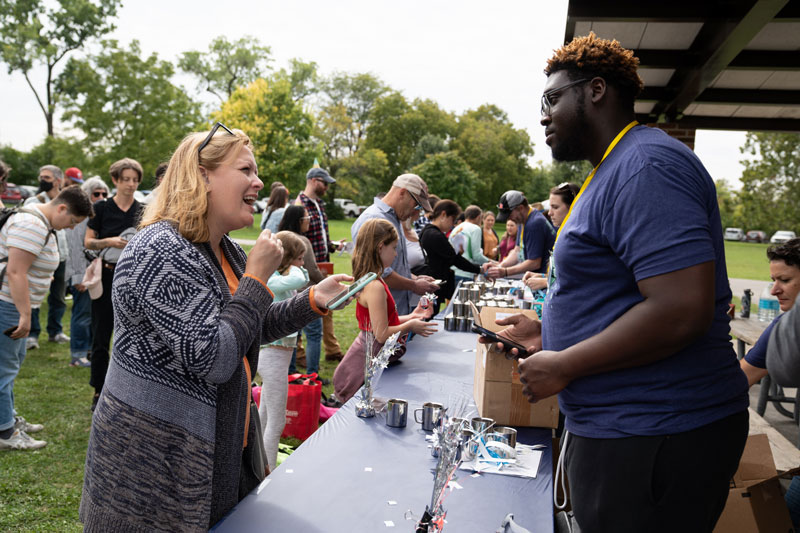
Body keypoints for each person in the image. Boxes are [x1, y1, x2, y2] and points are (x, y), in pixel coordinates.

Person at [482, 33, 749, 531]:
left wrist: (564, 362)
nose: (543, 115)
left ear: (596, 90)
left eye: (552, 98)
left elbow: (680, 309)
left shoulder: (646, 166)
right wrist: (548, 334)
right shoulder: (612, 169)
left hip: (659, 431)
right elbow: (622, 295)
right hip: (629, 428)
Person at [79, 124, 351, 531]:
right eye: (246, 169)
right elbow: (213, 356)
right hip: (154, 470)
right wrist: (257, 280)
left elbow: (242, 328)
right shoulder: (159, 250)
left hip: (216, 451)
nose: (257, 182)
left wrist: (311, 301)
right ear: (201, 175)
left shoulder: (224, 251)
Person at [0, 187, 93, 451]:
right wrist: (25, 315)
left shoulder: (41, 223)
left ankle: (7, 417)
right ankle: (5, 431)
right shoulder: (31, 224)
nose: (69, 228)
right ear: (61, 208)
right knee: (4, 369)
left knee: (11, 364)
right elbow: (16, 272)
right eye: (72, 222)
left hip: (12, 305)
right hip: (8, 306)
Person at [333, 219, 436, 402]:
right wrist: (411, 325)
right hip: (366, 361)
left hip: (372, 355)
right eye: (394, 248)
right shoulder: (375, 286)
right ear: (381, 247)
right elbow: (381, 334)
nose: (396, 254)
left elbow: (382, 322)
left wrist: (413, 315)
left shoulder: (373, 281)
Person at [84, 158, 145, 410]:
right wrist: (108, 241)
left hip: (134, 278)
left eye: (135, 180)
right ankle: (99, 390)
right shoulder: (101, 208)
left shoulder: (143, 209)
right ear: (115, 180)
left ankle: (130, 389)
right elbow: (88, 242)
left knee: (134, 335)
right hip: (107, 275)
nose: (131, 184)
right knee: (101, 335)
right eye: (126, 179)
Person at [256, 231, 309, 470]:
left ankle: (255, 463)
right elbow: (300, 279)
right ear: (286, 258)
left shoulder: (281, 277)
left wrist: (294, 264)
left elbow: (302, 277)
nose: (302, 265)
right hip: (272, 357)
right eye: (299, 258)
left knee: (264, 415)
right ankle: (267, 471)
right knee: (276, 421)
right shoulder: (274, 279)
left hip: (276, 357)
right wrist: (292, 266)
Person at [351, 174, 439, 315]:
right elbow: (377, 271)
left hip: (397, 311)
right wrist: (414, 285)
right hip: (383, 316)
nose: (415, 211)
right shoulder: (374, 219)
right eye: (416, 204)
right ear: (402, 193)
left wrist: (415, 278)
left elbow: (394, 265)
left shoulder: (394, 218)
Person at [295, 167, 344, 362]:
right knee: (303, 308)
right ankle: (298, 353)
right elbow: (299, 239)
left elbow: (319, 236)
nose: (327, 187)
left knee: (328, 306)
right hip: (306, 268)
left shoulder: (319, 204)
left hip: (323, 263)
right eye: (325, 183)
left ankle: (332, 350)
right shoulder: (300, 204)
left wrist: (332, 245)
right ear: (314, 181)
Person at [63, 177, 110, 367]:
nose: (100, 197)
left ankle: (89, 351)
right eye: (95, 193)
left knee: (94, 316)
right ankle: (78, 354)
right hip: (81, 273)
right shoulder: (82, 217)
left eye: (104, 194)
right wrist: (76, 276)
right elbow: (74, 248)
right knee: (82, 315)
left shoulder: (100, 214)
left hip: (96, 274)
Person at [740, 238, 800, 386]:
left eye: (785, 280)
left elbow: (739, 380)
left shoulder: (787, 326)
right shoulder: (784, 325)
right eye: (773, 280)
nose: (774, 291)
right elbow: (742, 377)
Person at [24, 165, 69, 350]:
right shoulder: (33, 201)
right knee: (34, 296)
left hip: (61, 255)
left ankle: (55, 331)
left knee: (58, 296)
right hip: (38, 257)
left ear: (58, 180)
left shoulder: (64, 200)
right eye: (41, 176)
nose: (42, 180)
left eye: (47, 177)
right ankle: (32, 334)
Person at [277, 205, 326, 376]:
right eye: (307, 218)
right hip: (307, 295)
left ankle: (290, 372)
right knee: (313, 335)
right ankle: (312, 373)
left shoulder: (279, 237)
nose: (309, 222)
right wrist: (325, 283)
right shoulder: (302, 241)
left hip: (287, 297)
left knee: (291, 335)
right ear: (299, 221)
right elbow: (311, 269)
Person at [418, 200, 480, 315]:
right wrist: (480, 269)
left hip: (432, 284)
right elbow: (454, 259)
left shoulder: (428, 231)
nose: (452, 225)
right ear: (443, 215)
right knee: (429, 317)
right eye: (452, 220)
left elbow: (446, 257)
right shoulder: (435, 235)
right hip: (432, 285)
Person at [483, 190, 555, 279]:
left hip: (543, 277)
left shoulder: (534, 223)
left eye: (509, 215)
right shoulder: (523, 221)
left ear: (520, 208)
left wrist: (505, 272)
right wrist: (500, 267)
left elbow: (534, 263)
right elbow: (517, 251)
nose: (509, 219)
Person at [522, 182, 580, 292]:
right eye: (550, 207)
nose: (549, 213)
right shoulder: (563, 233)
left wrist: (545, 282)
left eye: (555, 207)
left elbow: (578, 279)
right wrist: (543, 276)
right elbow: (562, 274)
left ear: (572, 207)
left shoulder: (577, 239)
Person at [450, 205, 491, 283]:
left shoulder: (457, 228)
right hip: (466, 272)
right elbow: (476, 255)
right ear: (479, 217)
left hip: (453, 271)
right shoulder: (475, 229)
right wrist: (491, 262)